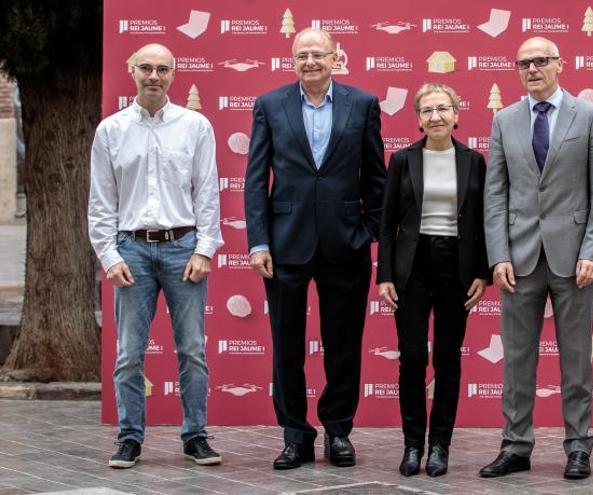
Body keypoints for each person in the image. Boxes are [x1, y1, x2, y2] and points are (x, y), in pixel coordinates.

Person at [244, 27, 385, 470]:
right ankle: (294, 436)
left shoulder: (362, 104)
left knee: (343, 344)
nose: (310, 61)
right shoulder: (270, 105)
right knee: (286, 346)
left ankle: (338, 430)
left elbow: (377, 177)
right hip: (286, 244)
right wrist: (259, 241)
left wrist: (367, 230)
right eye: (302, 54)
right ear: (292, 59)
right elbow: (255, 179)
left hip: (346, 243)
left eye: (318, 54)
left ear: (335, 57)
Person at [481, 36, 593, 480]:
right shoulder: (504, 120)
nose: (533, 68)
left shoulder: (590, 116)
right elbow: (495, 192)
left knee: (576, 360)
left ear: (559, 64)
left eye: (541, 61)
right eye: (525, 63)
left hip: (574, 258)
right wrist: (498, 253)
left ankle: (578, 446)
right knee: (517, 360)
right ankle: (516, 445)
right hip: (518, 259)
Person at [88, 43, 224, 469]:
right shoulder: (110, 130)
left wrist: (205, 249)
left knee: (192, 350)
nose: (153, 75)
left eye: (162, 68)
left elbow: (207, 193)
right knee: (129, 352)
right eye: (145, 67)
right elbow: (101, 202)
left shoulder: (196, 126)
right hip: (130, 249)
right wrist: (109, 256)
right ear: (131, 70)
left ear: (173, 74)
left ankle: (196, 436)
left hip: (184, 247)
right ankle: (129, 439)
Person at [376, 84, 489, 477]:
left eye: (443, 109)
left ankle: (440, 445)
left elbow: (482, 222)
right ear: (418, 118)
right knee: (411, 358)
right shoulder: (403, 160)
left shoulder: (474, 161)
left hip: (456, 267)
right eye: (427, 110)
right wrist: (385, 274)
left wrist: (483, 272)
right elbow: (387, 222)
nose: (436, 116)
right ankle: (412, 446)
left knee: (447, 358)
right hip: (412, 266)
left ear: (457, 114)